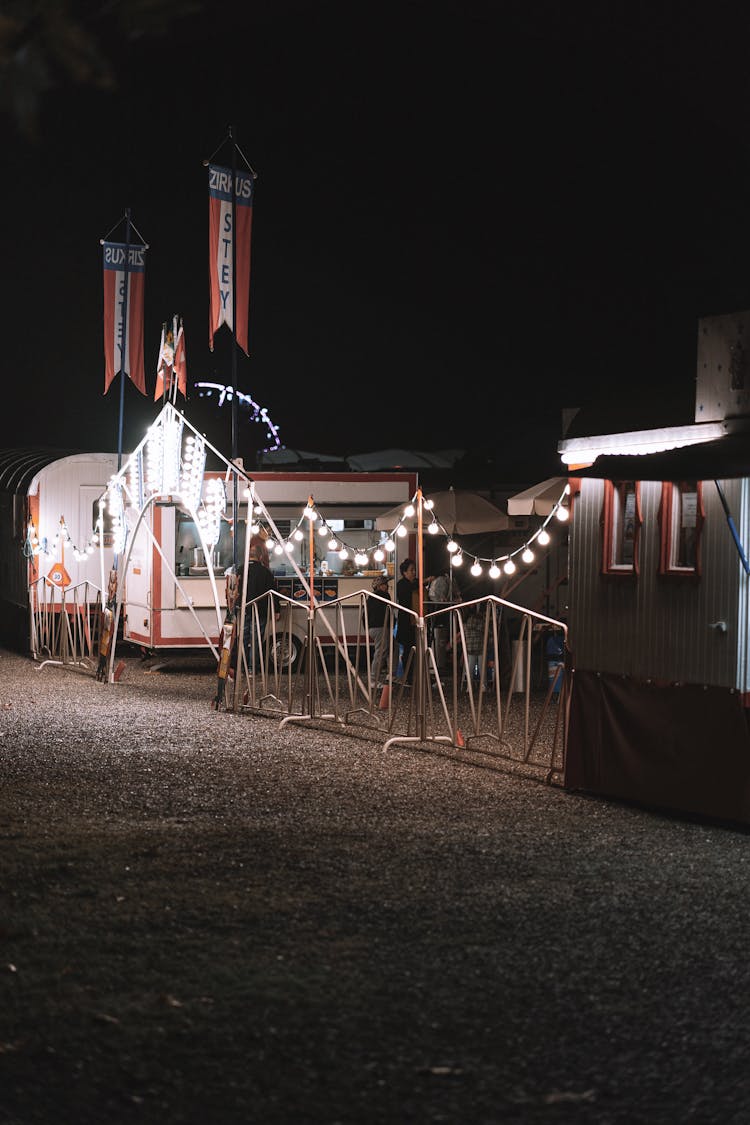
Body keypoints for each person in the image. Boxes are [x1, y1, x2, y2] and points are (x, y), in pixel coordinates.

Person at [238, 535, 277, 676]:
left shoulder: (241, 570)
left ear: (249, 556)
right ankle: (252, 669)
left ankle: (241, 668)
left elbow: (236, 589)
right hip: (260, 611)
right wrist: (276, 610)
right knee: (256, 641)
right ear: (260, 557)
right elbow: (273, 592)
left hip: (244, 610)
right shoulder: (266, 572)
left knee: (243, 639)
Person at [395, 558, 433, 683]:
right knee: (408, 651)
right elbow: (408, 591)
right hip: (407, 622)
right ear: (404, 572)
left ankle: (419, 675)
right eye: (411, 570)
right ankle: (408, 677)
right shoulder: (402, 584)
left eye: (414, 570)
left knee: (419, 649)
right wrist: (425, 581)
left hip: (418, 623)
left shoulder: (417, 583)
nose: (414, 572)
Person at [367, 573, 391, 688]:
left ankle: (392, 674)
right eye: (384, 584)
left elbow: (365, 615)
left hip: (372, 627)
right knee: (380, 653)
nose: (386, 586)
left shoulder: (370, 597)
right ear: (378, 586)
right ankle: (373, 680)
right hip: (381, 626)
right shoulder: (384, 596)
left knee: (392, 648)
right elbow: (389, 612)